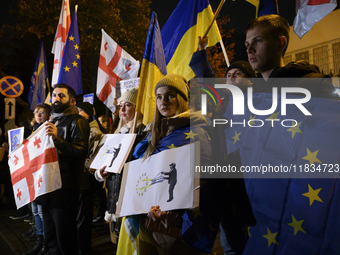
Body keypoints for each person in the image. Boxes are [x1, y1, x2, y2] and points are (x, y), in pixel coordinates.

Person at [117, 74, 219, 255]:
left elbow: (207, 183)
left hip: (177, 229)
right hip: (148, 224)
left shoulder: (197, 132)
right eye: (159, 96)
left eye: (170, 95)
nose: (164, 101)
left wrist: (171, 212)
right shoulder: (153, 134)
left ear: (182, 98)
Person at [40, 84, 90, 255]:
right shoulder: (51, 120)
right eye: (54, 95)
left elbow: (80, 152)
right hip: (47, 187)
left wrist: (57, 139)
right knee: (51, 238)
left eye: (61, 95)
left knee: (65, 238)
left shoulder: (78, 121)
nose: (57, 99)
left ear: (72, 100)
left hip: (65, 187)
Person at [92, 88, 145, 240]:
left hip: (132, 197)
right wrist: (100, 173)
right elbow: (103, 163)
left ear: (137, 107)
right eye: (120, 105)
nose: (121, 109)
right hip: (114, 197)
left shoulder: (143, 131)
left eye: (127, 105)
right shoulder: (116, 132)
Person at [244, 14, 339, 99]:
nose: (249, 50)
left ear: (280, 43)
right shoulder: (250, 93)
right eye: (247, 44)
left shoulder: (315, 85)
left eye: (258, 41)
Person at [21, 103, 52, 255]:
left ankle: (46, 243)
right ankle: (39, 240)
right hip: (32, 174)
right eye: (37, 112)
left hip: (42, 175)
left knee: (41, 211)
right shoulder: (33, 131)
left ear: (48, 115)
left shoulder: (49, 129)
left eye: (42, 112)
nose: (39, 114)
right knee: (35, 209)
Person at [76, 101, 103, 255]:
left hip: (85, 178)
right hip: (82, 177)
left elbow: (92, 158)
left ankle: (84, 249)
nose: (77, 112)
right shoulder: (84, 127)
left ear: (87, 113)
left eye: (80, 110)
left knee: (84, 217)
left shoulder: (93, 132)